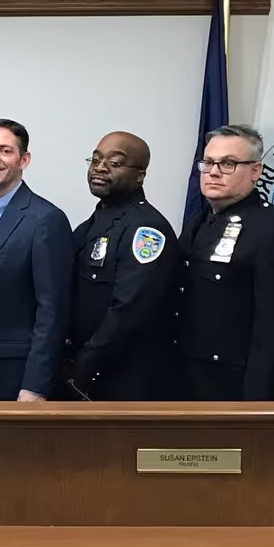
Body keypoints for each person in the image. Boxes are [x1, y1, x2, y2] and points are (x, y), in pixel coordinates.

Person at [172, 124, 274, 401]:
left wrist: (257, 404)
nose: (214, 172)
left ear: (256, 171)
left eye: (228, 163)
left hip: (234, 386)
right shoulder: (199, 224)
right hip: (188, 378)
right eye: (208, 162)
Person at [62, 130, 177, 400]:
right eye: (95, 160)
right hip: (85, 375)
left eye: (114, 163)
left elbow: (128, 311)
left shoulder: (146, 230)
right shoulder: (90, 225)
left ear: (140, 176)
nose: (100, 168)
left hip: (121, 380)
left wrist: (82, 368)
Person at [0, 118, 72, 401]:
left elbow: (52, 311)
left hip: (14, 375)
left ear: (24, 159)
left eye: (5, 150)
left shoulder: (46, 220)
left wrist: (36, 385)